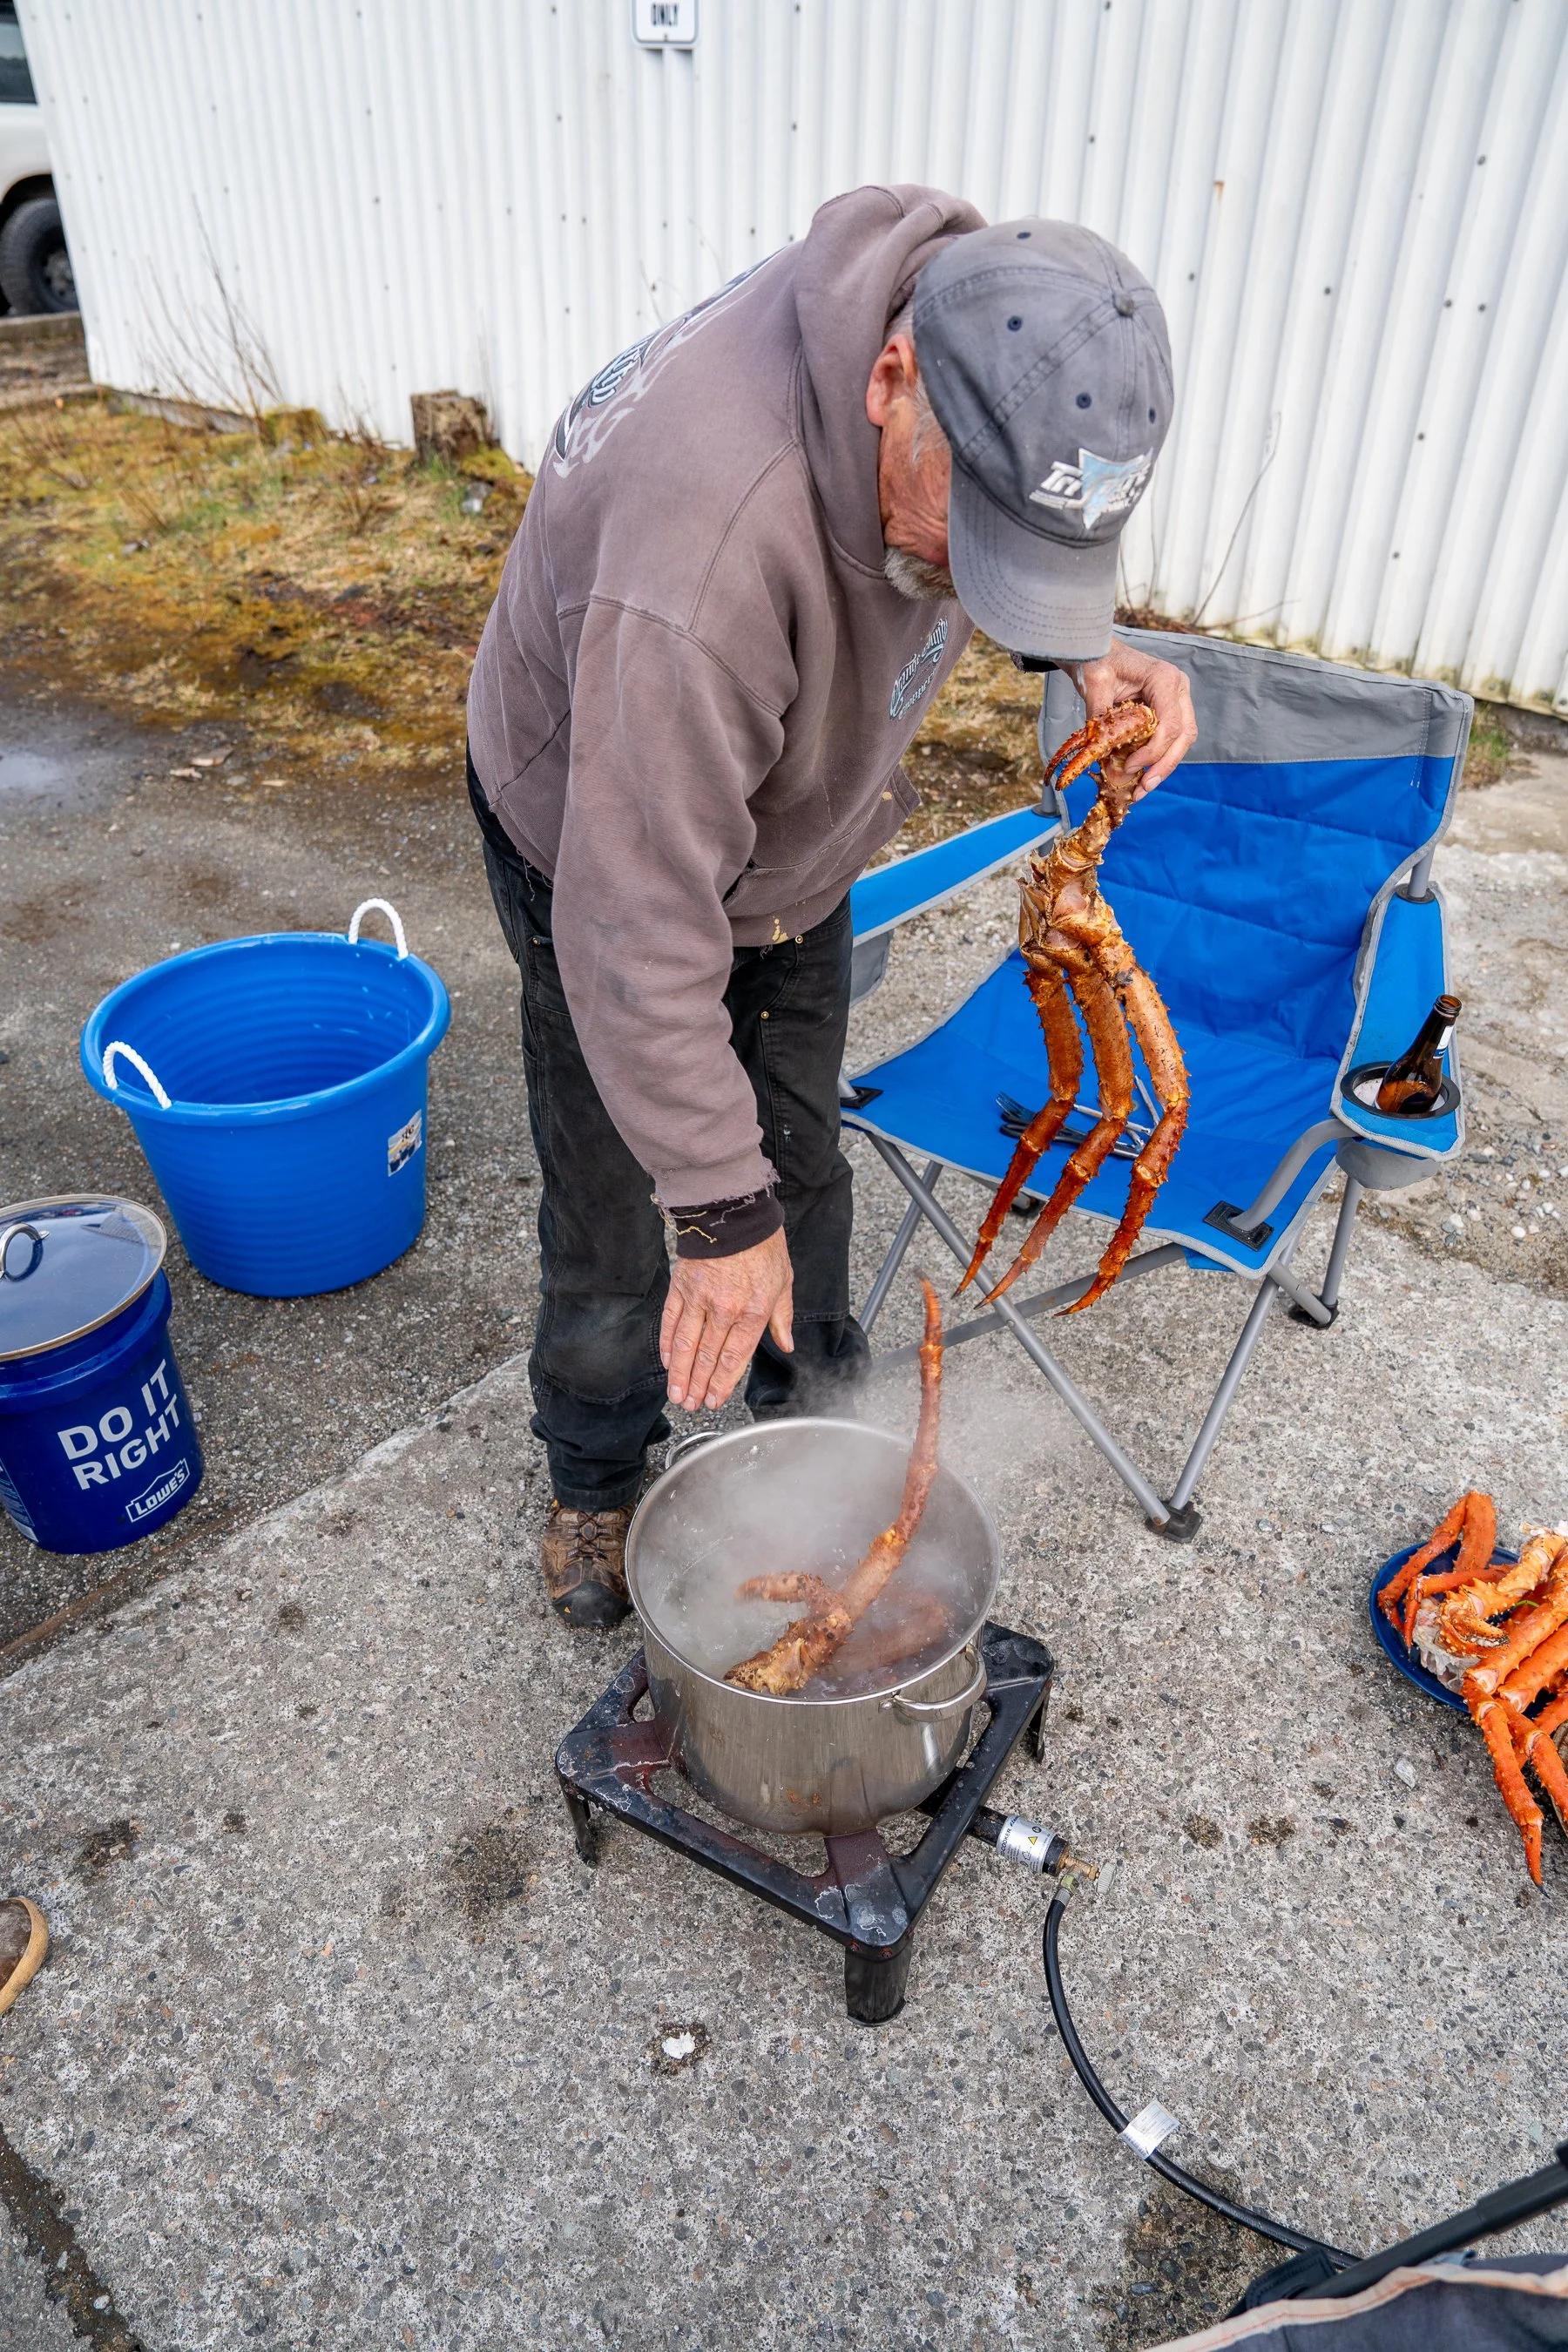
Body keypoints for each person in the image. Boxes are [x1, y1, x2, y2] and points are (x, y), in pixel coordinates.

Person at [468, 185, 1197, 1627]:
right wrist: (715, 1210)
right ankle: (599, 1480)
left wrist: (1073, 641)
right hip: (603, 846)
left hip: (795, 838)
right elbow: (634, 931)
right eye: (975, 537)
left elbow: (983, 499)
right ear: (888, 383)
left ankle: (815, 1444)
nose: (972, 579)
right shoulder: (705, 556)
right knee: (633, 1204)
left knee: (800, 1164)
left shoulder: (984, 314)